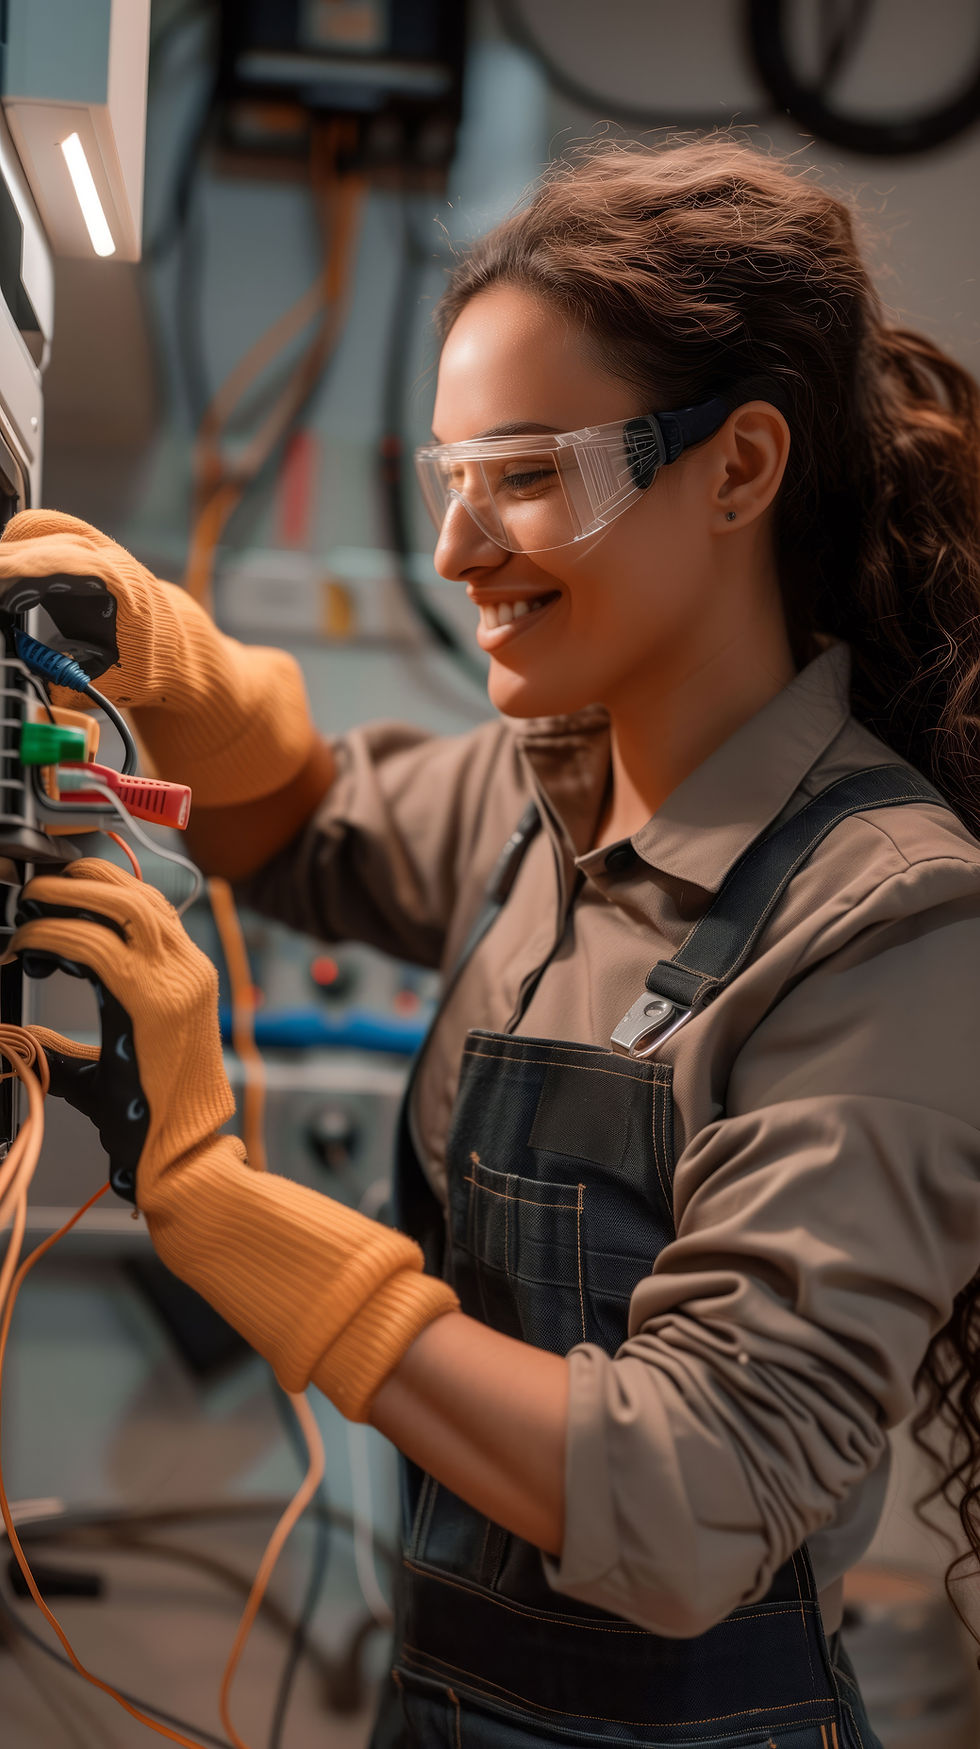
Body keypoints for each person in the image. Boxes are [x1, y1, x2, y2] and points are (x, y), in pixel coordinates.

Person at [3, 137, 980, 1749]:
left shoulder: (891, 919)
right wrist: (174, 655)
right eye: (445, 479)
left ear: (739, 470)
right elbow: (292, 820)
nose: (458, 554)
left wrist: (214, 1190)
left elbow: (690, 1497)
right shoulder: (545, 799)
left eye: (527, 476)